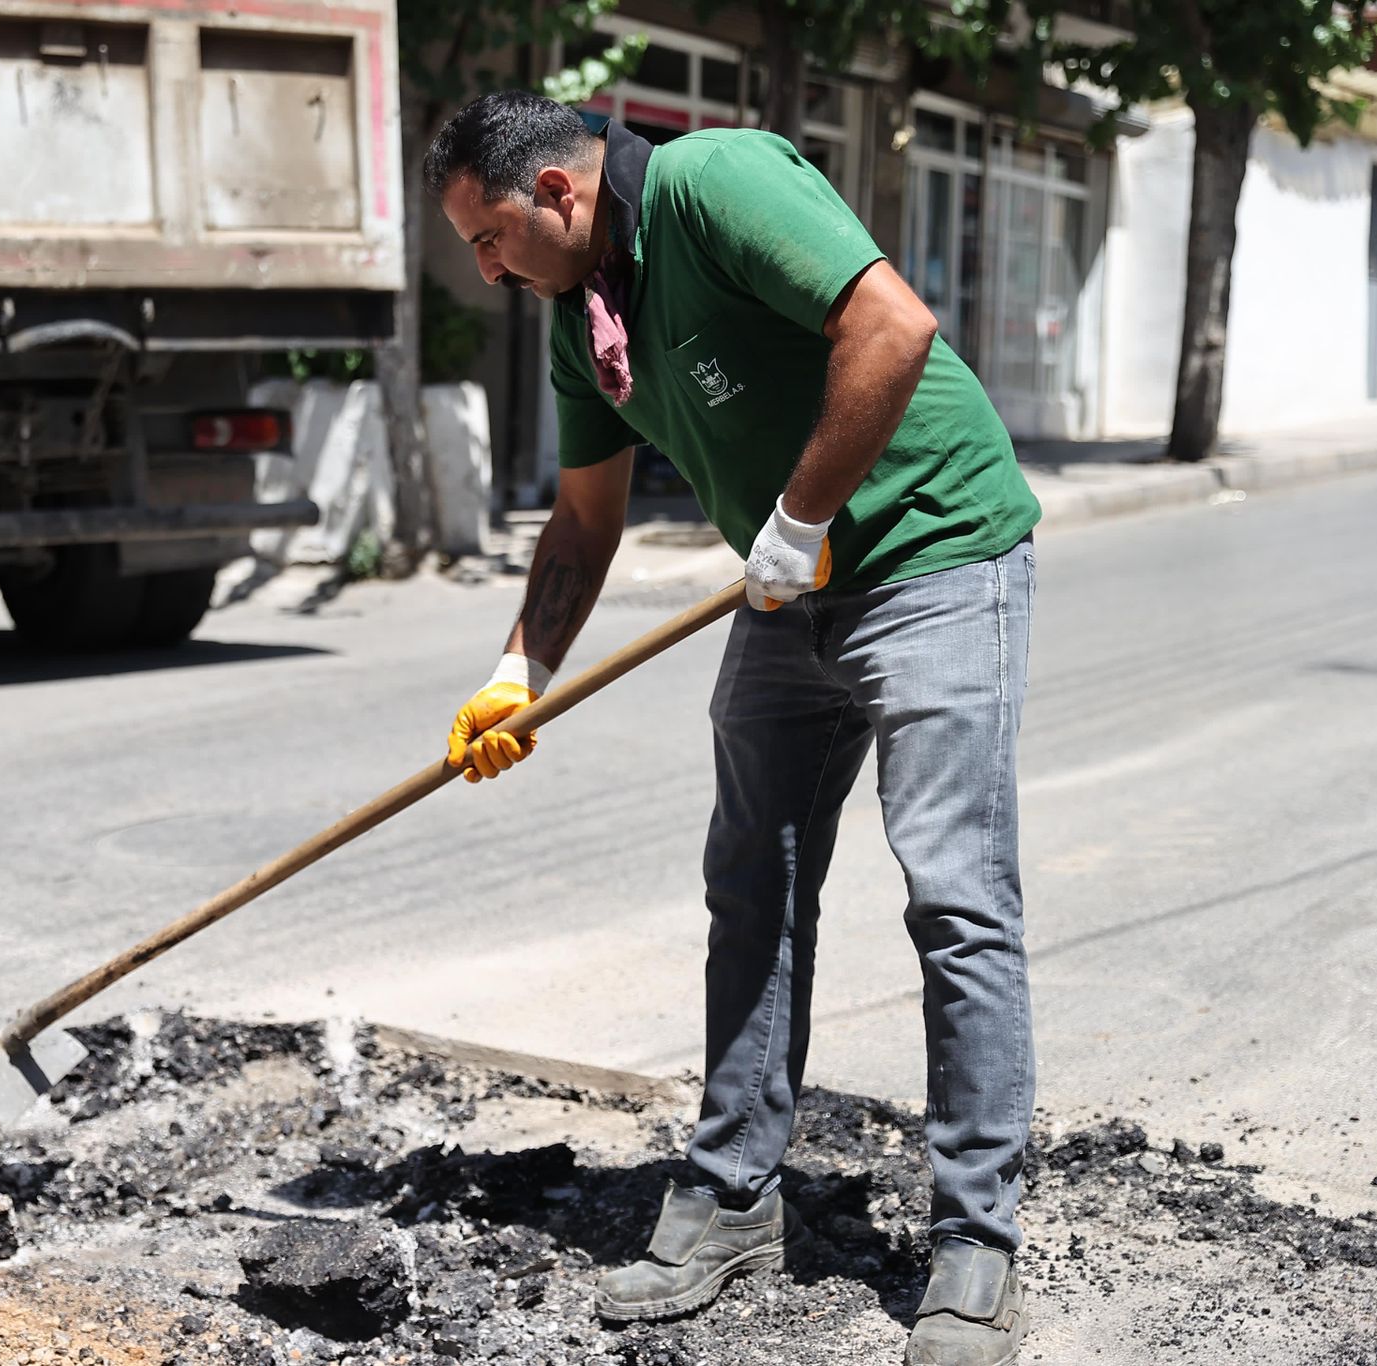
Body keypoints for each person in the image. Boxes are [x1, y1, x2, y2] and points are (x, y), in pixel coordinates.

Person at [426, 91, 1042, 1366]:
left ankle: (975, 1245)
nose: (482, 270)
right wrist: (514, 673)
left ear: (555, 192)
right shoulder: (580, 315)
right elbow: (586, 520)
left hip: (929, 553)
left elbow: (892, 323)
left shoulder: (719, 183)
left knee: (951, 891)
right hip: (793, 583)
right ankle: (728, 1194)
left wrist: (803, 516)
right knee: (747, 876)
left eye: (486, 238)